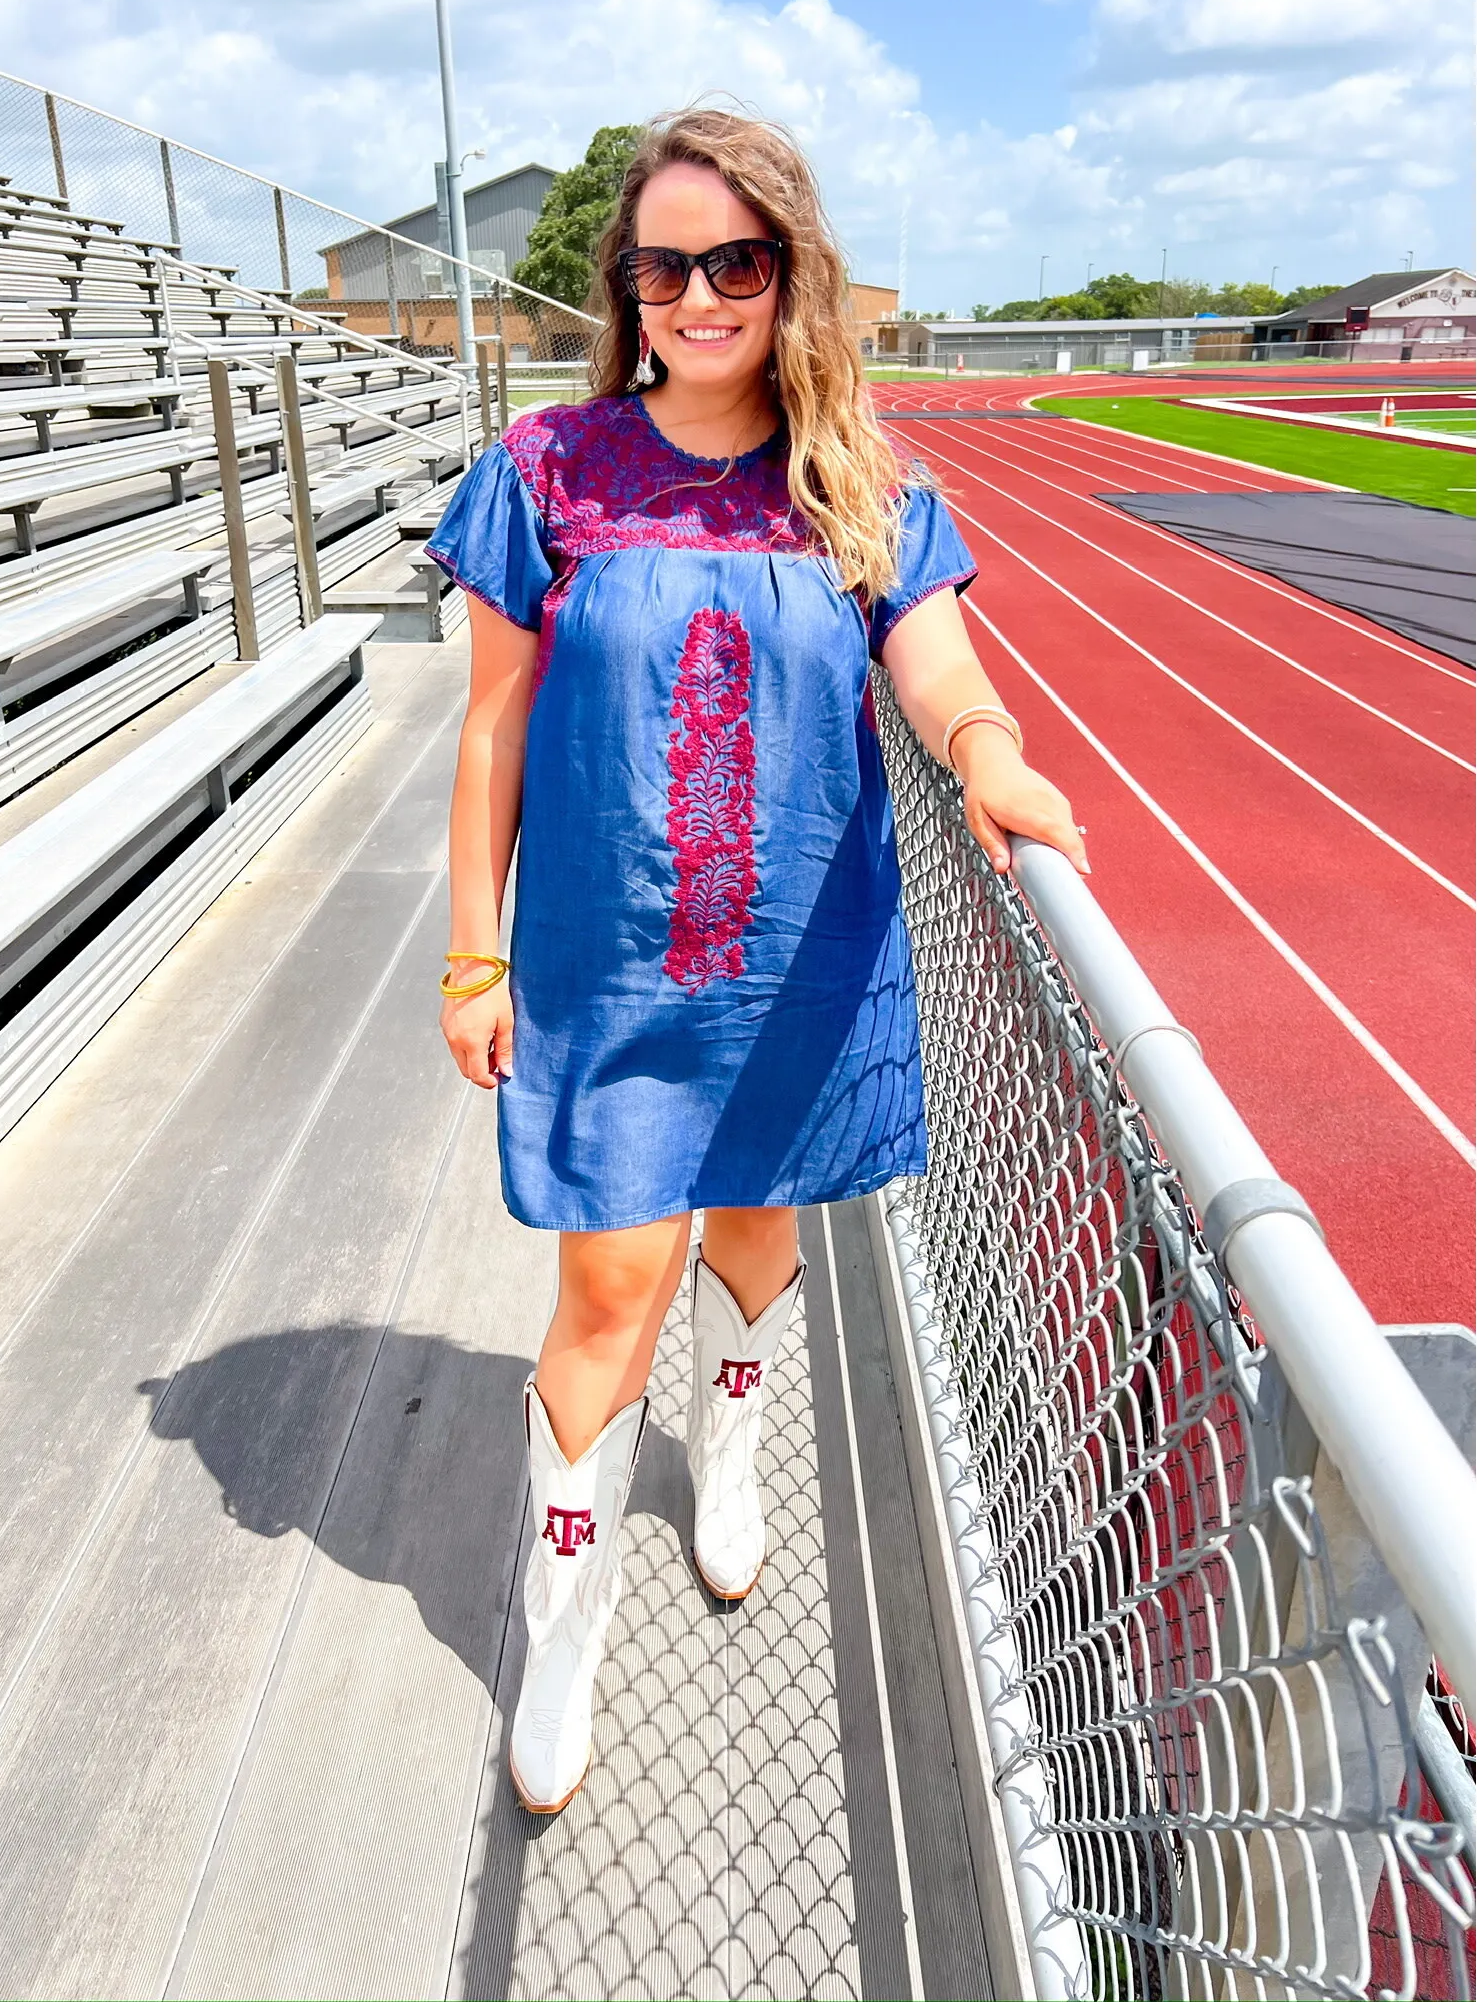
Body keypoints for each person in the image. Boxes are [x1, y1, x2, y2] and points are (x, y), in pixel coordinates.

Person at [426, 108, 1087, 1814]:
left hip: (798, 955)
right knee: (603, 1285)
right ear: (626, 284)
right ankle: (561, 1615)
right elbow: (491, 735)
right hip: (609, 970)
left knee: (755, 1227)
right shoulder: (545, 474)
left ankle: (732, 1444)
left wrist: (992, 753)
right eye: (669, 264)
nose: (703, 293)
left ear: (787, 272)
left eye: (738, 259)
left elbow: (934, 664)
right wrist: (473, 958)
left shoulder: (856, 479)